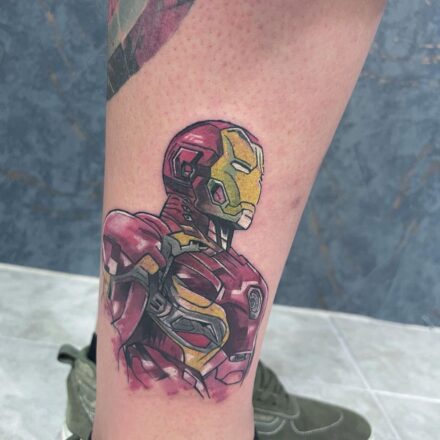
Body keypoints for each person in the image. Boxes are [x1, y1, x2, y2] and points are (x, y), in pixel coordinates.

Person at [58, 1, 386, 439]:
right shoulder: (144, 238)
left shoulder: (242, 274)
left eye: (255, 173)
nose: (252, 185)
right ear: (192, 170)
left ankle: (126, 390)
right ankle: (161, 426)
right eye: (242, 169)